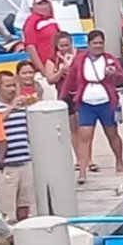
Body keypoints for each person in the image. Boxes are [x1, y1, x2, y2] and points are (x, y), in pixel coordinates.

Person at [61, 30, 123, 183]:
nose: (98, 46)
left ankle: (119, 160)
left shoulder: (110, 59)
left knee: (112, 134)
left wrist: (114, 74)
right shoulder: (80, 60)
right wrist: (63, 97)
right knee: (85, 136)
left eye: (100, 43)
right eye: (95, 43)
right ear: (88, 44)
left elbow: (122, 77)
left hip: (106, 102)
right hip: (86, 103)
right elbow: (70, 79)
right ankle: (83, 171)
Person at [0, 73, 30, 223]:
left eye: (14, 85)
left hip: (25, 161)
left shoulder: (22, 106)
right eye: (8, 86)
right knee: (7, 212)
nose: (12, 89)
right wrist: (12, 108)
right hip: (7, 165)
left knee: (25, 206)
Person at [43, 32, 80, 160]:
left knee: (85, 128)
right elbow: (50, 79)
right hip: (65, 95)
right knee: (74, 128)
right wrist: (61, 72)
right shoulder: (53, 59)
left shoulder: (80, 55)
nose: (65, 48)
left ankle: (88, 158)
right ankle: (80, 158)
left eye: (67, 45)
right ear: (57, 46)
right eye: (62, 46)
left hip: (81, 94)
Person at [22, 0, 60, 73]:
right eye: (40, 4)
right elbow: (30, 47)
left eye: (46, 3)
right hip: (45, 65)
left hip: (56, 64)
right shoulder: (31, 22)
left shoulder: (52, 20)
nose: (44, 6)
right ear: (34, 6)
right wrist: (42, 69)